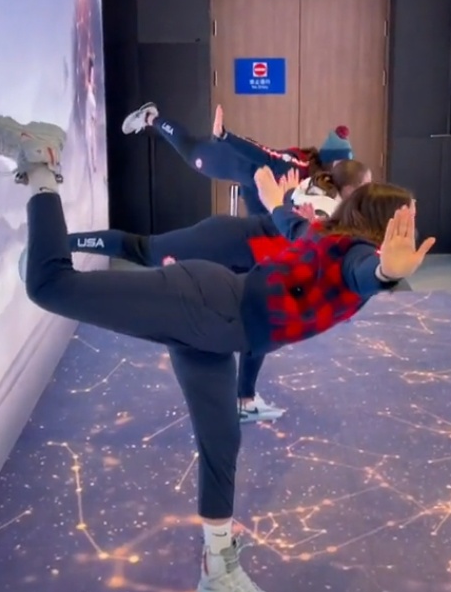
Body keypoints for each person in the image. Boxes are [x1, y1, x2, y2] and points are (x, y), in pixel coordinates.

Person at [0, 115, 434, 592]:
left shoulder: (324, 236)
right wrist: (388, 270)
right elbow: (365, 273)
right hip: (205, 306)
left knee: (222, 441)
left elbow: (290, 224)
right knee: (49, 286)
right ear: (383, 224)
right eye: (409, 218)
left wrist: (277, 201)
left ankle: (218, 571)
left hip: (217, 330)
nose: (416, 227)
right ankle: (40, 165)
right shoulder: (355, 256)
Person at [39, 159, 373, 425]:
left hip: (246, 267)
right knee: (143, 249)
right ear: (350, 190)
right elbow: (303, 238)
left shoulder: (329, 207)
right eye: (367, 187)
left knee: (259, 336)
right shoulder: (326, 211)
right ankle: (58, 243)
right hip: (224, 242)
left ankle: (245, 399)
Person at [121, 102, 354, 214]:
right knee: (189, 150)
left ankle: (152, 118)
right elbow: (263, 154)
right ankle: (150, 117)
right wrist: (226, 137)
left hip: (243, 174)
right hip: (232, 158)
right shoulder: (297, 167)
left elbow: (263, 197)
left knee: (189, 148)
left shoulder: (314, 185)